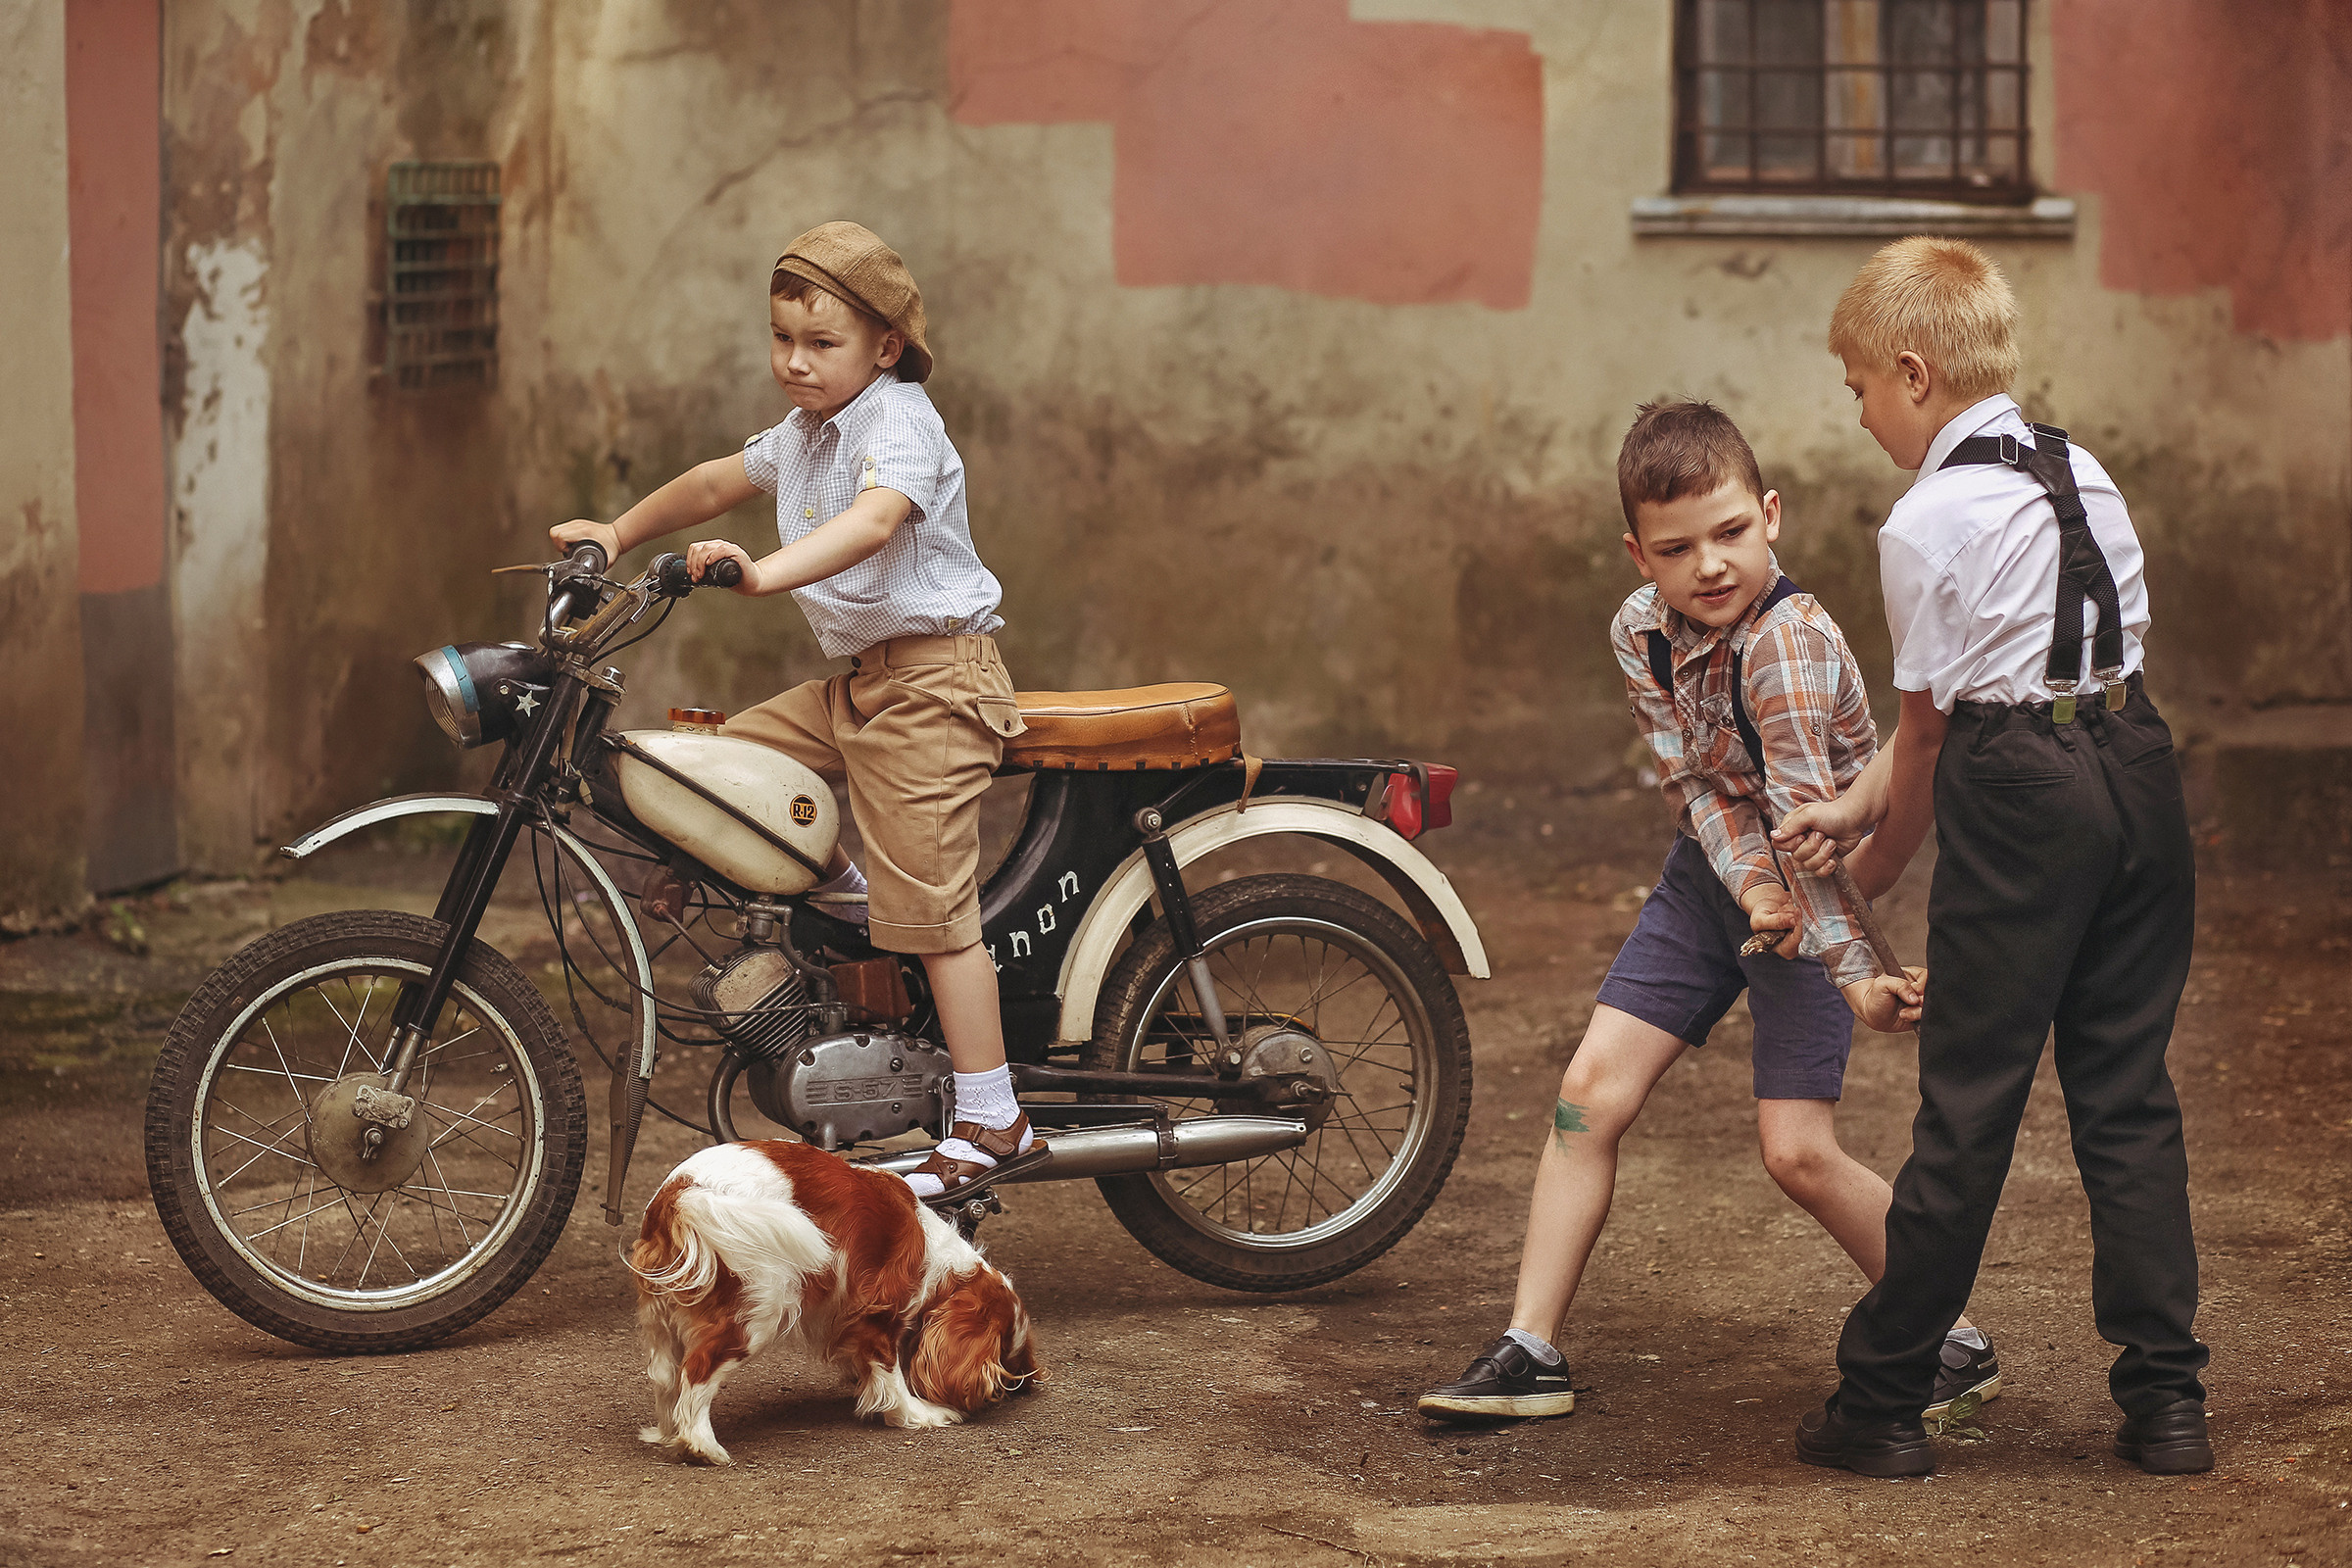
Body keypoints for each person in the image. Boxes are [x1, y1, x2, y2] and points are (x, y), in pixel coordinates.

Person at [1417, 400, 1997, 1426]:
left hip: (1818, 888)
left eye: (1731, 533)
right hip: (1715, 877)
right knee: (1586, 1096)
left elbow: (1811, 830)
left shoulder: (1790, 647)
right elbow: (1695, 785)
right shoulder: (1639, 631)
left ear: (1771, 514)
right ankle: (1530, 1345)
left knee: (1798, 1152)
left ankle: (1945, 1335)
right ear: (1638, 554)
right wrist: (1748, 885)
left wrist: (1851, 967)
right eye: (1678, 547)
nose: (1711, 565)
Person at [1775, 236, 2209, 1479]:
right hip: (2135, 763)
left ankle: (1884, 1401)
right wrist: (1869, 811)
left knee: (1969, 1107)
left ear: (1914, 374)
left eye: (1859, 384)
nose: (1856, 411)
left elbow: (1928, 735)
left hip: (2022, 798)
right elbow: (2017, 683)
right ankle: (2168, 1404)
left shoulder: (1927, 518)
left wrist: (1867, 887)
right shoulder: (2087, 472)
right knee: (2127, 1096)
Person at [552, 220, 1037, 1200]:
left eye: (822, 344)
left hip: (935, 684)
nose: (795, 362)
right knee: (715, 772)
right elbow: (714, 480)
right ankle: (847, 895)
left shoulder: (899, 418)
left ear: (884, 347)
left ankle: (993, 1115)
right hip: (861, 684)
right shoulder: (806, 431)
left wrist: (763, 573)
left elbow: (874, 520)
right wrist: (619, 527)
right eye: (782, 340)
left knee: (937, 914)